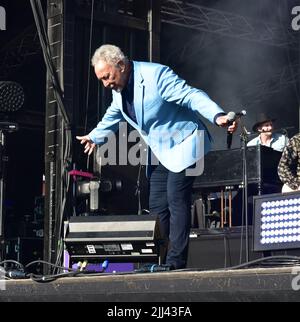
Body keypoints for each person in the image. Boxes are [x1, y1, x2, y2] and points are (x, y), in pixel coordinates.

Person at [76, 44, 237, 269]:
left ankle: (175, 262)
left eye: (107, 77)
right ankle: (154, 262)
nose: (106, 84)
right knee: (157, 205)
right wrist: (95, 136)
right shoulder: (119, 90)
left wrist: (217, 114)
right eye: (101, 79)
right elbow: (113, 115)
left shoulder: (156, 75)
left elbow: (191, 95)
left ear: (121, 65)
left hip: (186, 142)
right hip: (161, 151)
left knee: (175, 198)